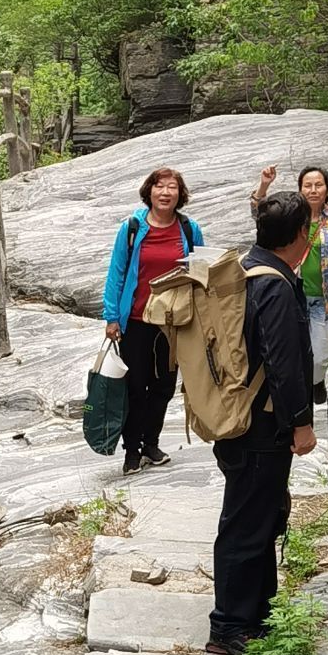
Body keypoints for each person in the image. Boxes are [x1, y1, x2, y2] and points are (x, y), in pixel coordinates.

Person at [207, 191, 316, 655]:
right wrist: (301, 423)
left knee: (259, 516)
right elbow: (283, 361)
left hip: (239, 417)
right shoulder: (273, 282)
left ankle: (257, 614)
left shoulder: (246, 268)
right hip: (260, 423)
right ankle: (230, 626)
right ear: (300, 235)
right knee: (248, 523)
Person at [102, 166, 204, 476]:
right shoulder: (132, 228)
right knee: (135, 387)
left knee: (163, 387)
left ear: (179, 194)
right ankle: (131, 450)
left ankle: (152, 444)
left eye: (172, 187)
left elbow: (200, 271)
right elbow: (116, 272)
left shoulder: (189, 229)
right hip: (135, 320)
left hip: (173, 323)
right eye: (160, 186)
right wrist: (111, 317)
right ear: (149, 191)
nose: (165, 192)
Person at [251, 163, 328, 403]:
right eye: (307, 185)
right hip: (291, 293)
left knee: (320, 355)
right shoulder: (291, 214)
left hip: (323, 298)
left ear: (327, 189)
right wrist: (265, 184)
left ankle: (315, 380)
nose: (313, 190)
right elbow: (259, 213)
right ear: (300, 189)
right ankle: (301, 394)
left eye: (319, 185)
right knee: (289, 349)